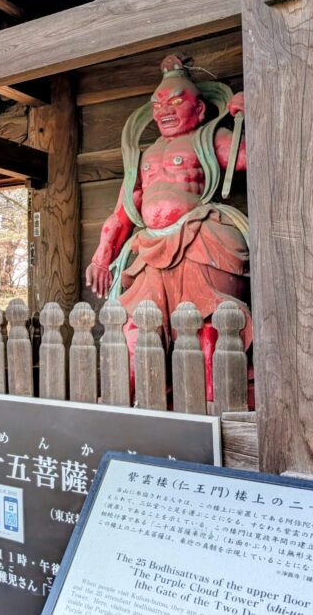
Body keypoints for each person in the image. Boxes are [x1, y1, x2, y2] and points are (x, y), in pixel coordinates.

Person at [85, 54, 251, 401]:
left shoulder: (209, 137)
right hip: (148, 246)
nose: (165, 110)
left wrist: (253, 112)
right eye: (158, 104)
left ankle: (212, 399)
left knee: (206, 322)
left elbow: (252, 158)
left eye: (176, 101)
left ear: (200, 109)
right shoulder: (144, 157)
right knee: (135, 324)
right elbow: (122, 213)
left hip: (198, 236)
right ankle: (128, 399)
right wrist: (103, 256)